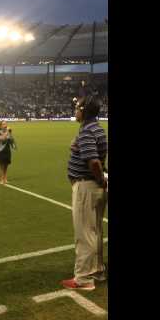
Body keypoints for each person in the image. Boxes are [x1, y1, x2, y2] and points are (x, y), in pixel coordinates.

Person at [61, 95, 108, 291]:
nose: (75, 111)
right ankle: (97, 270)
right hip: (94, 187)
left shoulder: (88, 131)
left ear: (84, 110)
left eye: (77, 108)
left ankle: (83, 279)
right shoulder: (96, 129)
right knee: (95, 230)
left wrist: (99, 179)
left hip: (86, 187)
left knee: (84, 233)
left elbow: (94, 162)